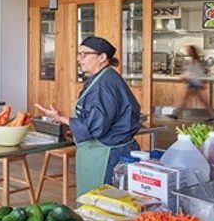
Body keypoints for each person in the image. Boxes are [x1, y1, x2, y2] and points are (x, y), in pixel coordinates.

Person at [35, 36, 141, 196]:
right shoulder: (105, 77)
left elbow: (95, 127)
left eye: (84, 54)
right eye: (78, 54)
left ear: (102, 57)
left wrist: (60, 118)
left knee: (100, 206)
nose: (79, 59)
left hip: (106, 156)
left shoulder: (103, 85)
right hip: (112, 150)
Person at [170, 45, 214, 120]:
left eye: (189, 50)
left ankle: (176, 114)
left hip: (194, 83)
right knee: (199, 100)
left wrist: (184, 77)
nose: (188, 52)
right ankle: (212, 115)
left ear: (192, 51)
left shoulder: (195, 61)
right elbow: (194, 72)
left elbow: (194, 73)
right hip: (194, 83)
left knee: (188, 100)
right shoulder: (194, 60)